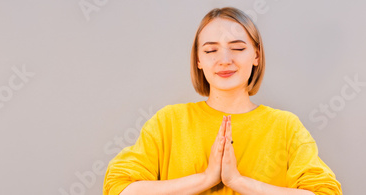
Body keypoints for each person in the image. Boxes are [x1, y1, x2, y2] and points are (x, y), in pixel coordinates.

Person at [103, 7, 342, 195]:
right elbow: (120, 189)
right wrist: (205, 179)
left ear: (256, 55)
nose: (224, 60)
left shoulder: (286, 126)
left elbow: (325, 193)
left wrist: (238, 181)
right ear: (198, 60)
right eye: (210, 51)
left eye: (237, 48)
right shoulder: (169, 121)